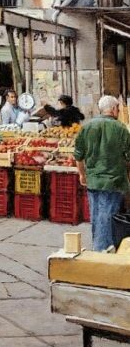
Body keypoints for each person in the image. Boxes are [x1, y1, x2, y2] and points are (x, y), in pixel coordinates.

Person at [75, 96, 130, 251]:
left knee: (96, 215)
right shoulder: (120, 128)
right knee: (107, 216)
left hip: (93, 180)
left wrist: (82, 174)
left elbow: (78, 155)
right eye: (118, 108)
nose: (118, 111)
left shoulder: (87, 127)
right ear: (113, 109)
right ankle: (103, 250)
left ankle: (97, 247)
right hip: (113, 180)